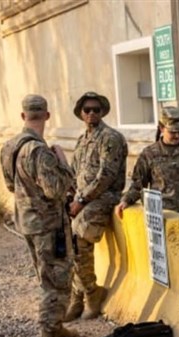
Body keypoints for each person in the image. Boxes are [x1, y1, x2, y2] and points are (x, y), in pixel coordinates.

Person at [0, 94, 80, 337]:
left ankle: (55, 328)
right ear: (46, 115)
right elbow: (57, 190)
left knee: (45, 276)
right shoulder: (39, 151)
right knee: (56, 282)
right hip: (48, 226)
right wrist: (63, 163)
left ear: (23, 116)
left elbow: (11, 185)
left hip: (27, 222)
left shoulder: (9, 146)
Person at [65, 92, 128, 322]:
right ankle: (77, 296)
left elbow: (106, 176)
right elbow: (75, 173)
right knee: (67, 241)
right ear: (81, 114)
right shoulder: (82, 140)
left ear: (102, 112)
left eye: (96, 109)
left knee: (78, 239)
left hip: (103, 199)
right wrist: (71, 195)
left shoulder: (109, 137)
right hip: (82, 199)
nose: (91, 113)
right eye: (87, 110)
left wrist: (81, 201)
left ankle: (92, 294)